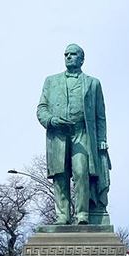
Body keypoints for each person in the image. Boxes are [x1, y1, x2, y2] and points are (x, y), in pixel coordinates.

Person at [36, 43, 111, 225]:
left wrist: (102, 139)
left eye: (73, 54)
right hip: (59, 134)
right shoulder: (51, 81)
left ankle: (83, 214)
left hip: (82, 133)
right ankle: (62, 216)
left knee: (81, 172)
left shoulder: (93, 83)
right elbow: (41, 109)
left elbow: (100, 116)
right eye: (66, 54)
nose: (68, 57)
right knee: (60, 175)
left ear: (82, 59)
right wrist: (52, 120)